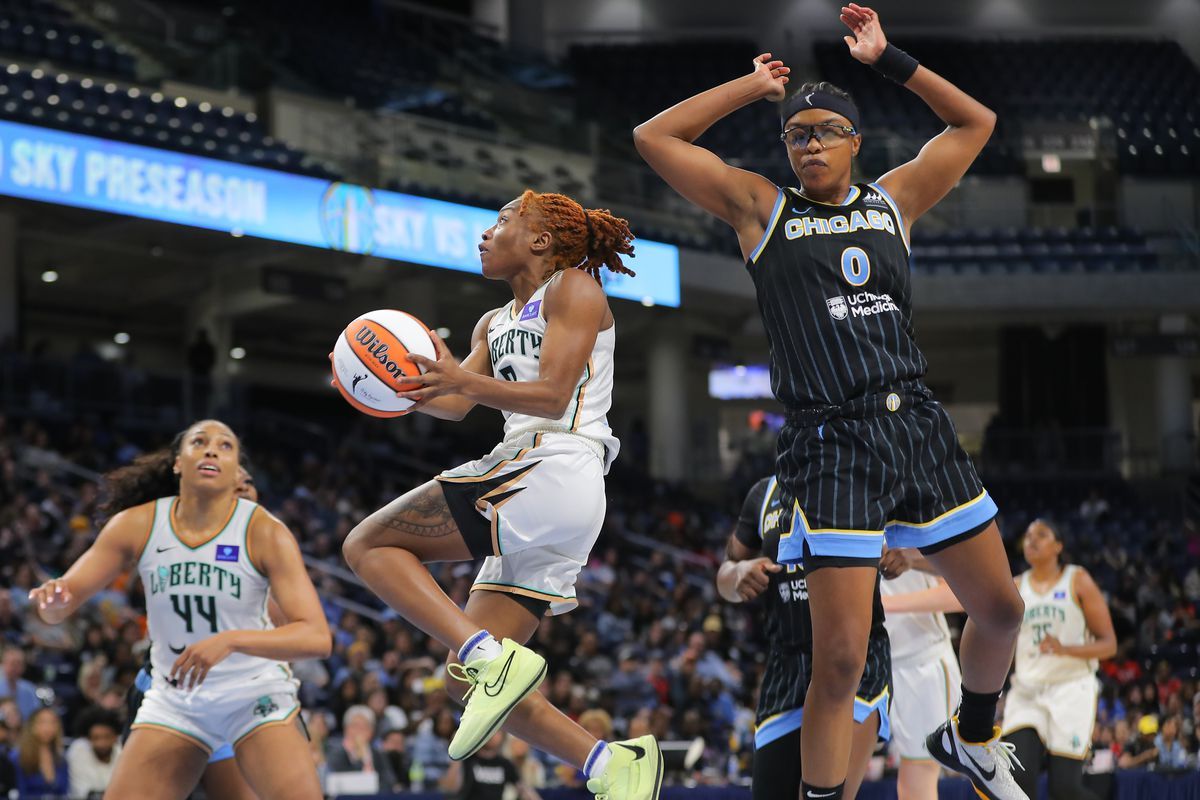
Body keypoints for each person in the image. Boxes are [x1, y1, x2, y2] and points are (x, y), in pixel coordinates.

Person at [633, 5, 1025, 798]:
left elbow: (975, 120)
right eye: (797, 134)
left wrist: (889, 60)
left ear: (854, 140)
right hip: (830, 440)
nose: (808, 144)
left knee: (1003, 611)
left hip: (915, 422)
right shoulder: (762, 210)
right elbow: (654, 139)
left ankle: (974, 736)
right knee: (840, 658)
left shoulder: (894, 201)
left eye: (823, 131)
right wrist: (749, 90)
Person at [342, 190, 662, 799]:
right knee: (470, 680)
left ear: (540, 240)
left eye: (502, 221)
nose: (486, 234)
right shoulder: (494, 321)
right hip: (546, 491)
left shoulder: (574, 289)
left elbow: (551, 394)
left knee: (366, 546)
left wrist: (462, 377)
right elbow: (459, 401)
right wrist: (382, 386)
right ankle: (611, 765)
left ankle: (490, 654)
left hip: (553, 464)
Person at [28, 419, 331, 799]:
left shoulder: (265, 530)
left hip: (252, 693)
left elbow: (317, 636)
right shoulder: (136, 524)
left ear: (237, 470)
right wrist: (53, 602)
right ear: (177, 462)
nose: (210, 449)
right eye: (199, 442)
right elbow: (61, 604)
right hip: (176, 698)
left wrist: (231, 641)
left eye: (225, 446)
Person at [884, 520, 1116, 799]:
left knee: (1065, 788)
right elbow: (977, 590)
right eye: (1028, 536)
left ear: (1059, 546)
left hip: (1070, 688)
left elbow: (1109, 644)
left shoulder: (1077, 580)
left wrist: (1065, 649)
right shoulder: (1017, 585)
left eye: (1042, 535)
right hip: (1027, 690)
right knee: (1017, 780)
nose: (1031, 541)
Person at [717, 476, 891, 800]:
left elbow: (930, 545)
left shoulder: (862, 474)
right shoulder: (763, 493)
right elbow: (724, 575)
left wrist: (906, 556)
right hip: (786, 666)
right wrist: (739, 573)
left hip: (854, 659)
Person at [878, 549, 962, 800]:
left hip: (921, 662)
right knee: (835, 770)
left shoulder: (916, 516)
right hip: (865, 660)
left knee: (917, 779)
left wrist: (883, 605)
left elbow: (958, 592)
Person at [441, 731, 541, 800]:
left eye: (497, 731)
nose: (493, 735)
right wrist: (458, 752)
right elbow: (450, 787)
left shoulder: (504, 764)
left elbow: (524, 790)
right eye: (490, 731)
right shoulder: (468, 759)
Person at [11, 707, 69, 798]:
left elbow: (65, 793)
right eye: (42, 722)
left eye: (53, 722)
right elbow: (19, 793)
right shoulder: (17, 757)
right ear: (32, 725)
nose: (48, 727)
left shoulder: (61, 759)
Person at [67, 707, 122, 799]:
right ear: (88, 738)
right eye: (96, 738)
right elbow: (82, 792)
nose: (101, 743)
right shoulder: (78, 750)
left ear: (115, 737)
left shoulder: (123, 750)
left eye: (107, 737)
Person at [0, 646, 40, 720]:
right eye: (12, 663)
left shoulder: (30, 689)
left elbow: (36, 715)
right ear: (3, 664)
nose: (15, 668)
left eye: (19, 664)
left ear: (24, 667)